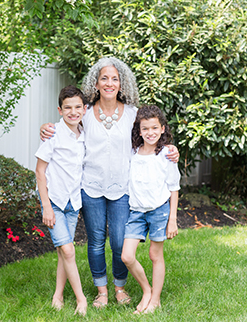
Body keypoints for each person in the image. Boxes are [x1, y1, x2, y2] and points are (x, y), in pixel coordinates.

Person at [40, 57, 179, 308]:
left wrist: (171, 149)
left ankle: (120, 287)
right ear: (96, 83)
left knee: (118, 241)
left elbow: (151, 135)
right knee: (95, 242)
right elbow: (64, 126)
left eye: (114, 79)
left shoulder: (133, 114)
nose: (109, 83)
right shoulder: (84, 114)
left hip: (122, 189)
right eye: (104, 78)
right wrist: (45, 127)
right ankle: (101, 291)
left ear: (121, 83)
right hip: (90, 187)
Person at [120, 105, 180, 314]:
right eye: (145, 128)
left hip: (159, 210)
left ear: (162, 129)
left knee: (155, 255)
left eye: (155, 128)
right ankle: (147, 290)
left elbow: (174, 188)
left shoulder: (166, 154)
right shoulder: (133, 152)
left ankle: (155, 300)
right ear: (139, 130)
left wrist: (172, 219)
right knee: (127, 256)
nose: (150, 133)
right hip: (136, 212)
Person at [36, 85, 88, 315]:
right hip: (54, 200)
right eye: (67, 108)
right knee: (68, 250)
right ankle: (81, 299)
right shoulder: (53, 134)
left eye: (77, 107)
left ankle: (58, 295)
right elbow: (40, 171)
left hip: (73, 201)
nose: (73, 112)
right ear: (60, 110)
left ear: (84, 109)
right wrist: (46, 206)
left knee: (63, 251)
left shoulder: (84, 135)